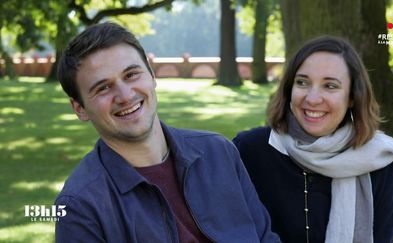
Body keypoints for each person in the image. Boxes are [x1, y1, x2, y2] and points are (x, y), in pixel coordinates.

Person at [54, 22, 280, 243]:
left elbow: (265, 237)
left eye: (131, 75)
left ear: (152, 76)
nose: (125, 95)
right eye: (103, 87)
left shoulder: (219, 152)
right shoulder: (80, 206)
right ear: (80, 109)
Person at [233, 36, 393, 243]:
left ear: (352, 97)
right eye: (302, 82)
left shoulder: (381, 163)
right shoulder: (248, 151)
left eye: (330, 86)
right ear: (288, 89)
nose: (312, 98)